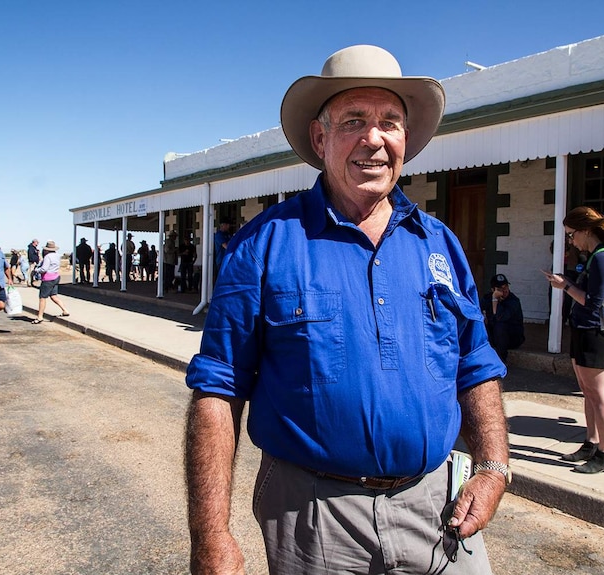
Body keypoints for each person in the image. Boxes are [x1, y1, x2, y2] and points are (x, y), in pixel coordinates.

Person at [184, 45, 509, 575]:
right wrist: (210, 535)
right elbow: (219, 388)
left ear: (406, 138)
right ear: (320, 137)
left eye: (390, 122)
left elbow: (476, 363)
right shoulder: (264, 244)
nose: (373, 139)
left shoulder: (440, 244)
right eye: (353, 120)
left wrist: (494, 467)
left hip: (439, 507)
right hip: (314, 518)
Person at [543, 207, 604, 474]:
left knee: (599, 394)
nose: (571, 240)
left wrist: (565, 286)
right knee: (588, 392)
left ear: (586, 230)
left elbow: (594, 303)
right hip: (583, 330)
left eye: (571, 235)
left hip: (596, 332)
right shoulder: (595, 258)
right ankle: (591, 443)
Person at [480, 273, 525, 362]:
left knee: (500, 326)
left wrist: (495, 301)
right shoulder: (487, 298)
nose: (504, 291)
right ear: (493, 290)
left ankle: (501, 360)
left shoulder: (513, 301)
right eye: (500, 289)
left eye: (506, 287)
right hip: (494, 336)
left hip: (512, 337)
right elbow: (478, 309)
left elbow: (500, 317)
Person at [32, 240, 69, 324]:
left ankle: (40, 316)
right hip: (56, 276)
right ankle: (65, 310)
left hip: (47, 278)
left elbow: (44, 269)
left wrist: (36, 270)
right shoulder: (57, 256)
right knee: (53, 295)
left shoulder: (48, 257)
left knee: (42, 298)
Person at [213, 219, 233, 285]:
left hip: (228, 259)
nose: (228, 226)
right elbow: (226, 246)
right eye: (227, 225)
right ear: (223, 225)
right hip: (221, 259)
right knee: (221, 278)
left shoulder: (228, 234)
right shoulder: (219, 235)